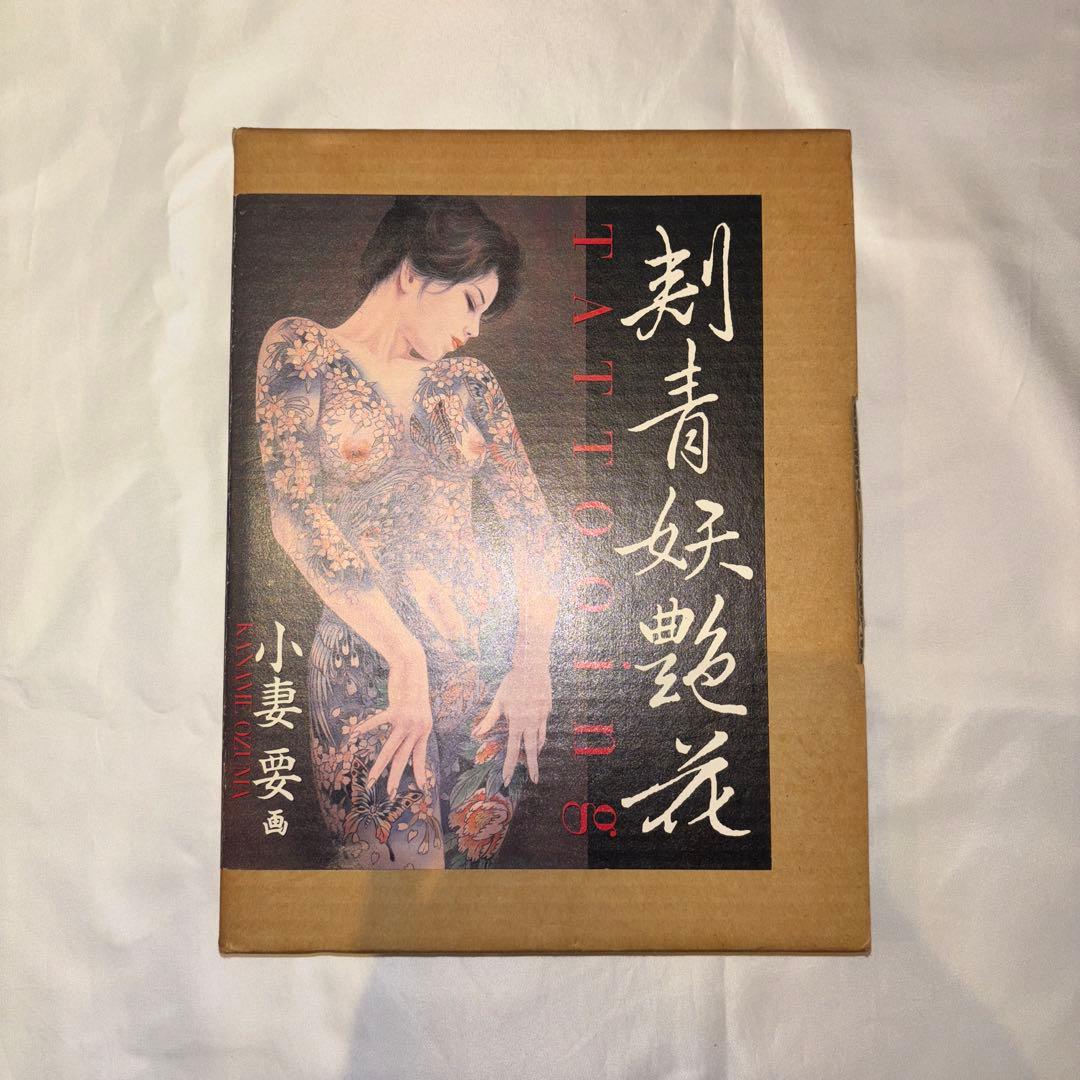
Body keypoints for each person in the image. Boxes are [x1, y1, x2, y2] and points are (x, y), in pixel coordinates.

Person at [255, 196, 560, 869]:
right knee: (398, 875)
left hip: (489, 674)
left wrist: (533, 661)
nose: (473, 330)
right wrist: (405, 654)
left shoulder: (470, 383)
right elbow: (294, 513)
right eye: (471, 303)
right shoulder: (304, 350)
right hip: (371, 663)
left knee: (465, 884)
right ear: (414, 272)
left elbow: (535, 527)